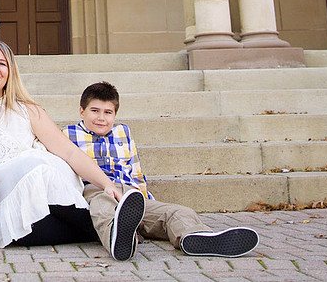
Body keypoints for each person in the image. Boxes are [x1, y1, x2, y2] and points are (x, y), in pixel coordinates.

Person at [0, 38, 146, 260]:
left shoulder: (27, 110)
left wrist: (106, 183)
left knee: (37, 164)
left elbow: (69, 152)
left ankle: (116, 232)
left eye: (3, 63)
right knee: (20, 228)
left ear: (10, 72)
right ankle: (115, 229)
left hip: (39, 196)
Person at [63, 81, 260, 258]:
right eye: (94, 111)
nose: (101, 118)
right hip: (96, 190)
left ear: (115, 114)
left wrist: (143, 197)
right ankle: (119, 238)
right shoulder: (67, 134)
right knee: (104, 208)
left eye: (108, 113)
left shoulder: (123, 132)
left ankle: (196, 236)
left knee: (175, 212)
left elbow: (135, 169)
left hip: (130, 195)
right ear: (82, 112)